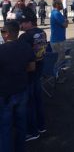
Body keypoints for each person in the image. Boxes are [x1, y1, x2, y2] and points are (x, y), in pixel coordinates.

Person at [0, 20, 35, 152]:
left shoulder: (1, 50)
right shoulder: (25, 46)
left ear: (7, 34)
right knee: (21, 124)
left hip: (5, 94)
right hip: (21, 90)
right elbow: (32, 67)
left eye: (2, 31)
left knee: (5, 127)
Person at [19, 7, 47, 141]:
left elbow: (20, 56)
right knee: (38, 99)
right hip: (40, 68)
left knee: (29, 102)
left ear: (29, 22)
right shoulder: (42, 32)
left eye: (23, 22)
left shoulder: (25, 36)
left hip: (29, 72)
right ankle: (41, 125)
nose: (21, 25)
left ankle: (32, 130)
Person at [50, 0, 69, 68]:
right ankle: (57, 74)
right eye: (60, 4)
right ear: (57, 5)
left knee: (59, 58)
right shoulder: (56, 13)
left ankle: (58, 72)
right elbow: (65, 24)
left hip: (57, 39)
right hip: (58, 40)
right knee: (59, 59)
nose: (62, 5)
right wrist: (66, 21)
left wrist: (65, 21)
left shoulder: (56, 12)